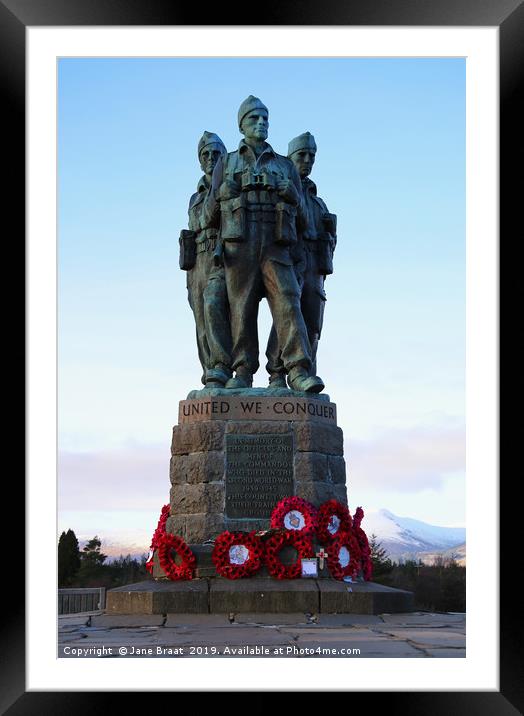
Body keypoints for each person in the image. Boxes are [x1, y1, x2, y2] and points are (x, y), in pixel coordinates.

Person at [203, 96, 324, 392]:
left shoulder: (284, 165)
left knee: (288, 301)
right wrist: (221, 194)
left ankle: (297, 369)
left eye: (265, 119)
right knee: (241, 309)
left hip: (276, 243)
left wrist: (292, 195)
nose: (261, 124)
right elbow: (207, 216)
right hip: (239, 242)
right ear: (242, 125)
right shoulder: (227, 162)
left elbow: (307, 222)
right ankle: (242, 370)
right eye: (254, 119)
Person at [265, 132, 337, 383]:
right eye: (301, 155)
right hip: (290, 260)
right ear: (290, 158)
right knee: (286, 316)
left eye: (311, 156)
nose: (307, 160)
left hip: (315, 267)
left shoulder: (319, 204)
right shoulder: (281, 190)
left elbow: (329, 238)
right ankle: (277, 372)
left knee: (312, 323)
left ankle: (306, 374)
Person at [180, 131, 232, 387]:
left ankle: (223, 365)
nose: (210, 158)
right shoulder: (195, 196)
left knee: (214, 306)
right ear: (200, 161)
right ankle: (211, 372)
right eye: (206, 155)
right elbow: (196, 223)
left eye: (215, 154)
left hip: (220, 256)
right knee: (201, 321)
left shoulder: (229, 186)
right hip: (196, 261)